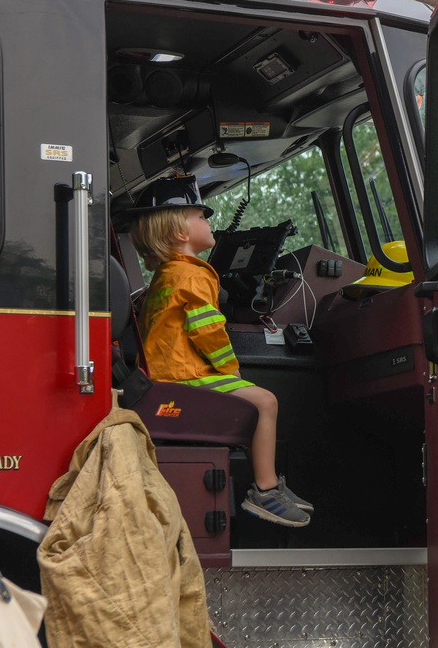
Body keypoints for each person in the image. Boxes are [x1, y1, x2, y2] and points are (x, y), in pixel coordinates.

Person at [128, 175, 312, 527]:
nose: (209, 221)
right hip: (184, 380)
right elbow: (208, 331)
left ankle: (267, 482)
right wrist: (231, 370)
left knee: (253, 401)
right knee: (265, 401)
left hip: (161, 376)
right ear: (180, 232)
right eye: (201, 216)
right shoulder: (195, 275)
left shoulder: (166, 277)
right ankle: (264, 490)